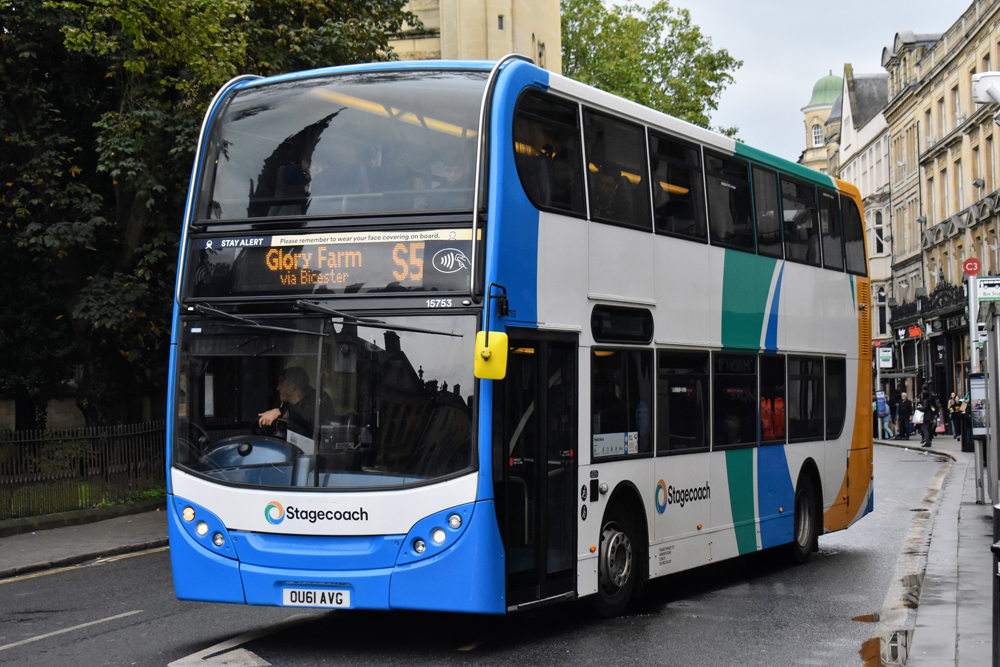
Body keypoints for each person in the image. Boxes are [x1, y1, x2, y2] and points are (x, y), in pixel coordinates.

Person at [258, 367, 321, 437]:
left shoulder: (316, 403)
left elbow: (306, 422)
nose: (278, 388)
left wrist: (284, 413)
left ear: (292, 387)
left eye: (281, 383)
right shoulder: (281, 404)